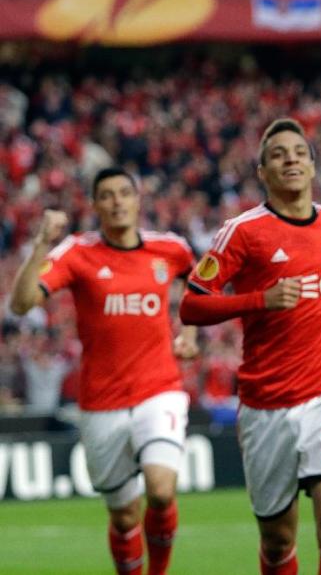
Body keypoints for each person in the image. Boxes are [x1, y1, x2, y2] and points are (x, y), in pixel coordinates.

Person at [179, 118, 321, 575]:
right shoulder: (242, 232)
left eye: (299, 152)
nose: (291, 160)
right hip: (266, 405)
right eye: (278, 154)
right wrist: (261, 300)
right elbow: (191, 305)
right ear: (261, 171)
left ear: (314, 166)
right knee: (278, 542)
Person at [9, 167, 197, 575]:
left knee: (161, 491)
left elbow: (201, 286)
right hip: (102, 402)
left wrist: (192, 332)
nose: (116, 202)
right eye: (106, 195)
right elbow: (21, 304)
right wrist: (42, 242)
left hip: (159, 388)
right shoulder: (77, 252)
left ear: (137, 200)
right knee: (125, 516)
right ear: (94, 206)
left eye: (124, 193)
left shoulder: (171, 248)